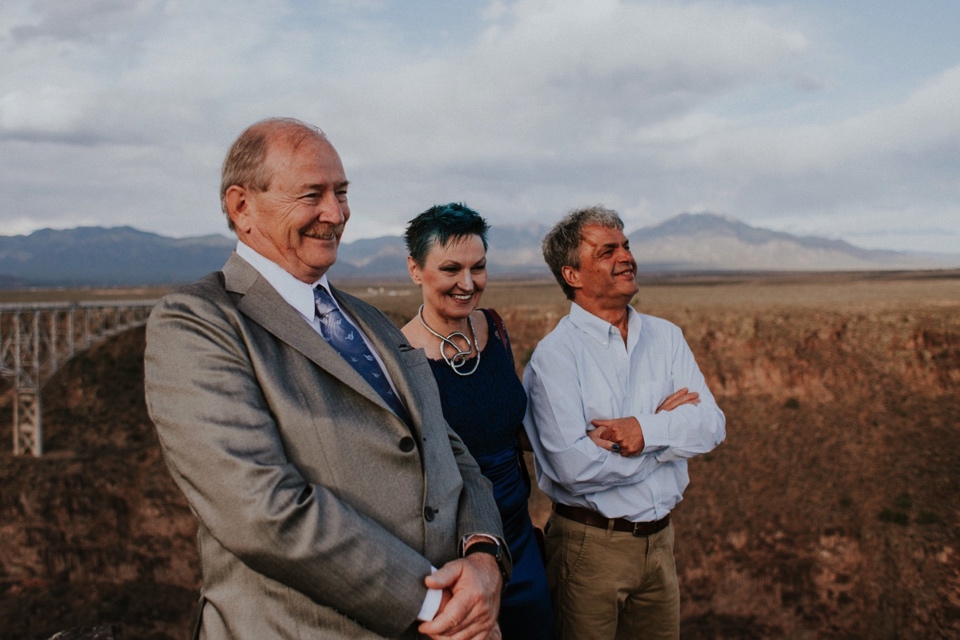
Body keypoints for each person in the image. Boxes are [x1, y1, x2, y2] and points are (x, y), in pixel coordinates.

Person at [143, 118, 510, 640]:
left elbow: (448, 448)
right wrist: (441, 606)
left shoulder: (369, 319)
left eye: (341, 193)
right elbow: (261, 511)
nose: (335, 214)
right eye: (312, 194)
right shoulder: (198, 322)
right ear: (242, 206)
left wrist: (484, 555)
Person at [522, 206, 726, 640]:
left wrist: (641, 433)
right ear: (572, 275)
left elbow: (711, 425)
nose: (626, 257)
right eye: (607, 251)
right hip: (589, 549)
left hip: (661, 544)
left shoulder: (666, 337)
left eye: (626, 246)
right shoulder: (554, 358)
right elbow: (572, 470)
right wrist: (665, 437)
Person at [400, 203, 556, 640]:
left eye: (479, 267)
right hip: (457, 551)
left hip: (519, 535)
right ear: (416, 269)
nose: (468, 284)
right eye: (451, 269)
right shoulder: (400, 360)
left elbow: (508, 424)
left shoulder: (494, 327)